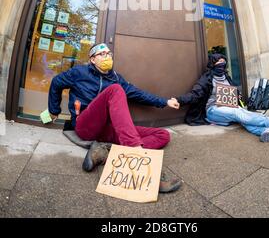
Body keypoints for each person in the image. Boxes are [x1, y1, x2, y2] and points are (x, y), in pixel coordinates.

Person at [48, 42, 182, 192]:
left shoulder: (116, 78)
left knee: (162, 135)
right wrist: (54, 110)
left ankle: (105, 151)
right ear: (92, 59)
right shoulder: (79, 72)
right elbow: (56, 82)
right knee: (115, 90)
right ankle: (141, 163)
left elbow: (139, 94)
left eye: (109, 54)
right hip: (85, 125)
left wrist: (165, 101)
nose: (107, 56)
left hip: (106, 129)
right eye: (102, 54)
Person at [176, 53, 269, 142]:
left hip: (229, 107)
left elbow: (233, 92)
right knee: (237, 113)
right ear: (213, 64)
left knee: (243, 117)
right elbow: (195, 94)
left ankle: (268, 133)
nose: (221, 65)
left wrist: (238, 96)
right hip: (213, 110)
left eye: (223, 63)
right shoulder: (206, 78)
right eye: (219, 63)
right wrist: (179, 100)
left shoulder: (227, 77)